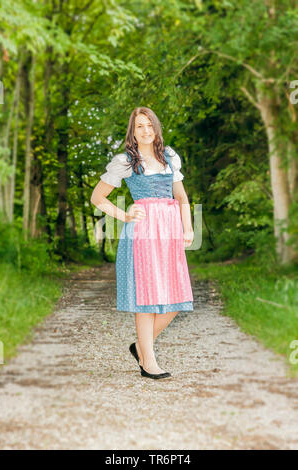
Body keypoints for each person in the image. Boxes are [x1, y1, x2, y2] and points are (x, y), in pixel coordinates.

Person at [90, 107, 194, 380]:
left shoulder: (169, 157)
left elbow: (182, 197)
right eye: (139, 126)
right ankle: (148, 361)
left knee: (175, 298)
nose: (145, 130)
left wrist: (189, 228)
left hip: (170, 232)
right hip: (143, 233)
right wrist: (124, 215)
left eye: (149, 125)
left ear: (156, 128)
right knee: (146, 299)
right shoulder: (126, 161)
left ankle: (139, 346)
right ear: (132, 132)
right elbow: (97, 197)